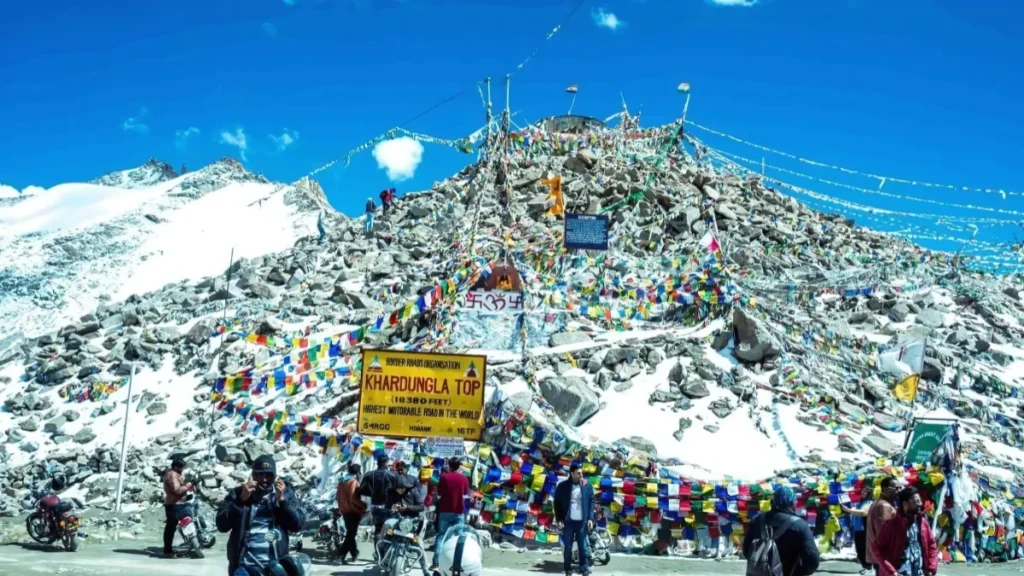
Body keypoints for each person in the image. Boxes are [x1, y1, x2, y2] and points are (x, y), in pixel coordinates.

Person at [215, 455, 305, 576]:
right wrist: (240, 501)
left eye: (268, 475)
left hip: (276, 568)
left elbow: (298, 525)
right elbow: (221, 525)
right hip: (245, 567)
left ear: (274, 476)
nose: (264, 479)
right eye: (260, 475)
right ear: (253, 475)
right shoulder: (238, 493)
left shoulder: (285, 493)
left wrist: (283, 502)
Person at [742, 486, 820, 576]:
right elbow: (812, 557)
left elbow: (747, 550)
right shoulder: (800, 525)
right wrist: (802, 571)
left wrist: (762, 564)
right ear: (793, 503)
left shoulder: (757, 520)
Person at [870, 486, 939, 576]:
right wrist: (890, 570)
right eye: (915, 501)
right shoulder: (891, 525)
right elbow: (876, 548)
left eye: (919, 501)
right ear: (905, 504)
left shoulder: (923, 522)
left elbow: (932, 545)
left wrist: (931, 568)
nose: (919, 504)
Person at [554, 463, 595, 576]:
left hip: (582, 522)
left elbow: (591, 502)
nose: (581, 475)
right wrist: (559, 520)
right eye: (578, 473)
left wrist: (590, 518)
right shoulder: (562, 486)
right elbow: (557, 504)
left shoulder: (587, 486)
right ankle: (568, 569)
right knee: (568, 547)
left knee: (583, 547)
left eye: (582, 473)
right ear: (572, 473)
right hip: (568, 522)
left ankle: (584, 568)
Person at [431, 457, 469, 571]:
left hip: (445, 510)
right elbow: (465, 492)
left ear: (449, 465)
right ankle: (458, 563)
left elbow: (439, 493)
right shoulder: (463, 478)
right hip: (459, 511)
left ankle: (436, 563)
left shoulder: (444, 477)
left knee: (441, 536)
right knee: (459, 537)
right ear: (459, 466)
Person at [866, 477, 900, 572]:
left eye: (900, 488)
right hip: (885, 558)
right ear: (885, 489)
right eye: (896, 488)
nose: (898, 491)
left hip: (880, 557)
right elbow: (885, 534)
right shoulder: (884, 506)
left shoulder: (879, 503)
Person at [163, 455, 194, 558]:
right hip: (174, 504)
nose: (182, 469)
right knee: (171, 527)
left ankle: (168, 550)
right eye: (181, 467)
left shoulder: (174, 474)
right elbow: (177, 490)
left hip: (174, 503)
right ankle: (168, 550)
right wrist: (187, 486)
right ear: (176, 467)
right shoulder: (172, 475)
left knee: (170, 528)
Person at [336, 462, 366, 565]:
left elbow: (337, 496)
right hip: (354, 511)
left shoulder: (342, 481)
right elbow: (354, 498)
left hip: (344, 510)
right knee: (351, 534)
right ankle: (341, 555)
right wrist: (363, 506)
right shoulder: (353, 482)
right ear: (358, 472)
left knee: (350, 532)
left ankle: (354, 553)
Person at [360, 455, 396, 538]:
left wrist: (372, 493)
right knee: (388, 528)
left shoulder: (369, 475)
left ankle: (377, 544)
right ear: (386, 463)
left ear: (377, 463)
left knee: (378, 528)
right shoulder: (392, 475)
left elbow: (361, 490)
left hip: (374, 505)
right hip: (387, 506)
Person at [842, 485, 875, 575]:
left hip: (864, 529)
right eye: (863, 491)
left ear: (869, 493)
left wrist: (849, 510)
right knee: (859, 550)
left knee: (864, 549)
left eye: (865, 492)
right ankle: (865, 567)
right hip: (858, 529)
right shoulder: (861, 502)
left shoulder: (869, 502)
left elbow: (864, 512)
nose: (863, 493)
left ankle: (869, 567)